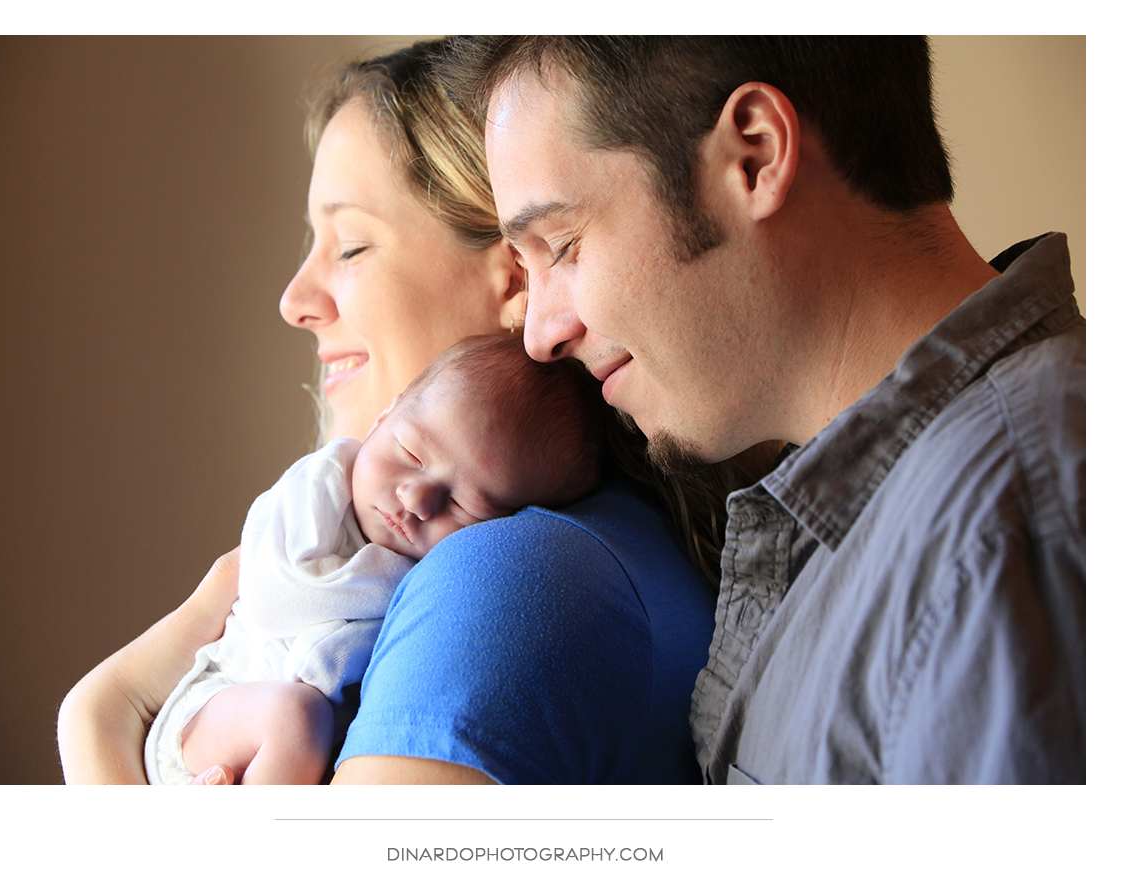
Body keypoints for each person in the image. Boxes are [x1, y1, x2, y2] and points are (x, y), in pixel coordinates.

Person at [58, 38, 738, 785]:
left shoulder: (500, 580)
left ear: (516, 276)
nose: (293, 301)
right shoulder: (608, 541)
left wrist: (100, 718)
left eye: (350, 246)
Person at [450, 36, 1086, 783]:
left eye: (560, 244)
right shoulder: (888, 515)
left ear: (753, 158)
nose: (540, 335)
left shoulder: (1010, 524)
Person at [147, 335, 603, 784]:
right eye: (411, 452)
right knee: (295, 717)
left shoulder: (449, 579)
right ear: (384, 416)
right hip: (213, 706)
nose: (417, 498)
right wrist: (389, 585)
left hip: (277, 761)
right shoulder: (320, 486)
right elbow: (274, 596)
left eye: (467, 503)